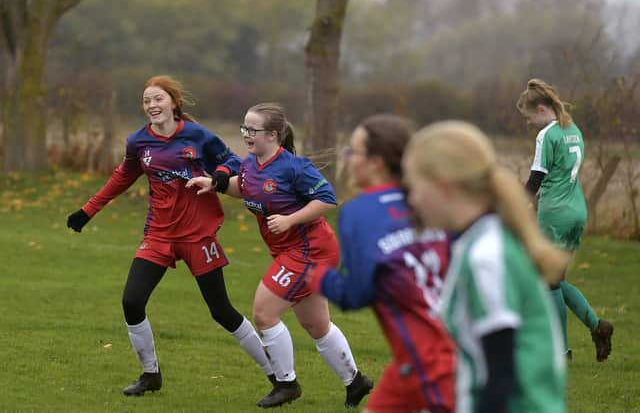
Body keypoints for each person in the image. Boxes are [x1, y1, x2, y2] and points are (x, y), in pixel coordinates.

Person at [66, 75, 274, 396]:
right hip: (159, 234)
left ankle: (279, 377)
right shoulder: (139, 142)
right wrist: (88, 211)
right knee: (131, 301)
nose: (152, 105)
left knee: (221, 310)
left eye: (158, 99)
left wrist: (217, 176)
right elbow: (121, 177)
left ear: (173, 103)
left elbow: (234, 162)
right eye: (147, 101)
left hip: (197, 235)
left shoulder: (197, 136)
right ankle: (151, 375)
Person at [186, 103, 373, 409]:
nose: (246, 134)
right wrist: (215, 184)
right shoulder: (250, 164)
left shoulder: (293, 167)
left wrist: (290, 220)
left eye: (252, 130)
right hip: (291, 251)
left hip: (311, 251)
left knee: (264, 312)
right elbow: (245, 187)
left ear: (272, 135)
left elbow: (327, 199)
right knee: (316, 325)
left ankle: (286, 383)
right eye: (244, 128)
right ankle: (356, 382)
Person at [402, 120, 568, 413]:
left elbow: (501, 376)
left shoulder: (487, 256)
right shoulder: (475, 243)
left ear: (444, 186)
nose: (411, 200)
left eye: (413, 187)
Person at [307, 114, 456, 413]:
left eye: (354, 151)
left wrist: (317, 276)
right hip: (448, 350)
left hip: (431, 364)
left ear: (376, 162)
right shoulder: (429, 200)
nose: (348, 158)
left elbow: (355, 294)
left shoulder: (359, 212)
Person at [517, 78, 614, 362]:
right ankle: (597, 327)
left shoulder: (547, 134)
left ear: (542, 108)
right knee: (556, 280)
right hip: (576, 212)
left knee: (548, 282)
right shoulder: (573, 129)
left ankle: (559, 352)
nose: (529, 123)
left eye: (529, 116)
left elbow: (537, 177)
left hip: (555, 214)